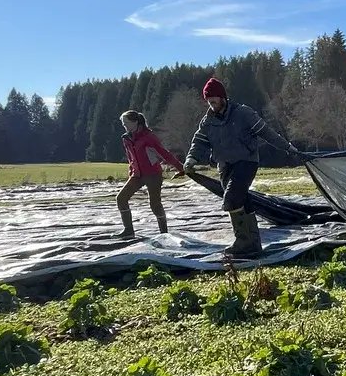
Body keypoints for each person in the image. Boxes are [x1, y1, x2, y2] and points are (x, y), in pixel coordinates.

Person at [181, 78, 300, 258]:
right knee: (243, 201)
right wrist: (191, 159)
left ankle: (243, 241)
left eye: (213, 99)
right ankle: (252, 243)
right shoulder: (208, 121)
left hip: (246, 161)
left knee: (232, 199)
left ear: (222, 97)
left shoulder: (243, 113)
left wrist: (288, 148)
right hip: (224, 165)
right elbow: (199, 142)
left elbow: (266, 132)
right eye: (208, 100)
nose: (211, 103)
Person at [115, 111, 186, 238]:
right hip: (136, 175)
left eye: (126, 123)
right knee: (121, 198)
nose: (124, 125)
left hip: (153, 174)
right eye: (123, 123)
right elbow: (130, 158)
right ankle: (128, 231)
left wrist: (180, 168)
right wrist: (131, 172)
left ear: (135, 122)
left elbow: (164, 154)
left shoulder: (149, 137)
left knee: (155, 204)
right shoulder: (126, 139)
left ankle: (164, 233)